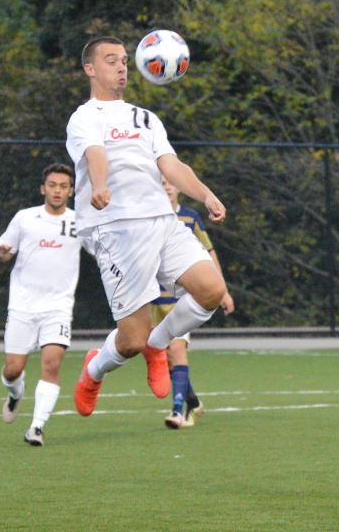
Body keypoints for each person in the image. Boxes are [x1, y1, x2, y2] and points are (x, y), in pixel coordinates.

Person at [65, 36, 227, 418]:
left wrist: (205, 195)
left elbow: (170, 165)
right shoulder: (85, 116)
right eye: (110, 61)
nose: (121, 67)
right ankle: (92, 371)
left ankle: (161, 343)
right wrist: (100, 184)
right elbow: (96, 154)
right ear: (90, 69)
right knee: (131, 340)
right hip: (117, 229)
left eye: (123, 60)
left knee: (212, 291)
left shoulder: (145, 117)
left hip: (162, 220)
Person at [0, 163, 82, 447]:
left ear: (71, 191)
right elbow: (5, 253)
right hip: (22, 305)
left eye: (63, 186)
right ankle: (15, 393)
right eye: (52, 185)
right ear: (43, 188)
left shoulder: (80, 222)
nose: (57, 191)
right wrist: (2, 254)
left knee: (52, 363)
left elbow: (102, 249)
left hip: (58, 306)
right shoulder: (25, 218)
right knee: (13, 369)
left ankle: (36, 427)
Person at [153, 176, 235, 429]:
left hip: (182, 299)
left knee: (176, 350)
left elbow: (209, 254)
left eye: (170, 182)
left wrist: (222, 291)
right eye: (161, 182)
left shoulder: (190, 218)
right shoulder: (148, 218)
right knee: (163, 356)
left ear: (179, 187)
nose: (166, 186)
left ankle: (178, 411)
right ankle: (193, 402)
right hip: (153, 298)